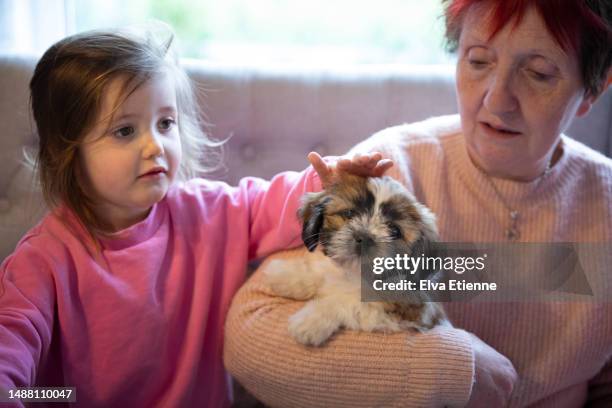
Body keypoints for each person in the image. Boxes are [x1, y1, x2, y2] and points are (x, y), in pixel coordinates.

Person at [224, 0, 612, 406]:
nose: (497, 101)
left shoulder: (603, 204)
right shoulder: (391, 171)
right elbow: (249, 337)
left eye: (538, 73)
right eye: (478, 61)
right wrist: (439, 367)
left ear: (592, 89)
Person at [0, 28, 393, 407]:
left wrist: (329, 183)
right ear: (66, 154)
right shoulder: (43, 260)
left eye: (166, 123)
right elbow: (10, 359)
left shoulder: (207, 211)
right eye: (124, 131)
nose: (155, 145)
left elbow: (273, 204)